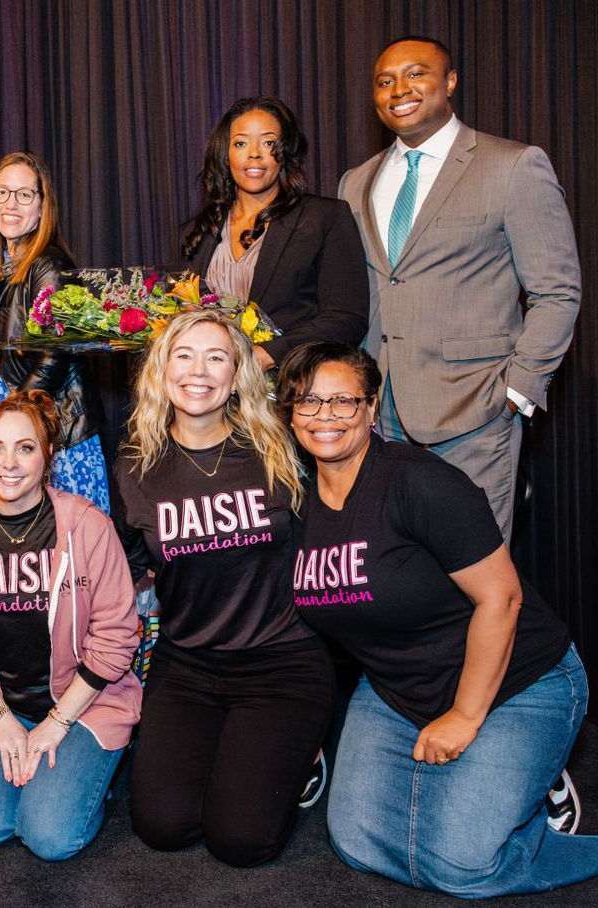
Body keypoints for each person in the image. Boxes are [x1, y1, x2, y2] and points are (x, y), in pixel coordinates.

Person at [275, 341, 598, 896]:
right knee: (355, 841)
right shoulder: (296, 501)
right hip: (399, 690)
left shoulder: (420, 482)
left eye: (342, 401)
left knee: (460, 865)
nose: (323, 416)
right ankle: (488, 804)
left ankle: (535, 815)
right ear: (289, 413)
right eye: (307, 402)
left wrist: (465, 718)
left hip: (519, 682)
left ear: (372, 407)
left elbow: (502, 599)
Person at [338, 35, 581, 543]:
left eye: (415, 74)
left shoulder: (513, 165)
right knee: (403, 576)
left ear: (449, 82)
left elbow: (557, 292)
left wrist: (516, 392)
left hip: (475, 412)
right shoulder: (356, 181)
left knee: (478, 580)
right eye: (384, 81)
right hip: (380, 417)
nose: (398, 89)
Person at [113, 309, 334, 867]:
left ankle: (306, 752)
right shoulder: (136, 466)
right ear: (161, 371)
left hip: (281, 662)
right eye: (184, 356)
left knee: (240, 841)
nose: (199, 371)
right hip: (188, 665)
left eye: (217, 357)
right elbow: (133, 569)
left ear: (237, 376)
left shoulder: (282, 448)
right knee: (163, 826)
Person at [0, 390, 141, 861]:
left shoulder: (86, 526)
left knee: (50, 837)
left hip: (83, 704)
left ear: (48, 455)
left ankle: (81, 774)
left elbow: (116, 639)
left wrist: (56, 723)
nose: (9, 463)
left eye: (25, 447)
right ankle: (43, 774)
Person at [181, 97, 368, 370]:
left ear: (286, 152)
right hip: (208, 392)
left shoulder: (324, 218)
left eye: (268, 143)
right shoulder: (197, 232)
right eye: (241, 143)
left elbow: (347, 318)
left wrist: (266, 356)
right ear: (225, 154)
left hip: (286, 391)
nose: (254, 153)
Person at [0, 151, 109, 512]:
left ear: (41, 206)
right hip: (22, 436)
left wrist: (15, 417)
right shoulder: (2, 268)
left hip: (56, 436)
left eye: (24, 194)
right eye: (2, 192)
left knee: (74, 552)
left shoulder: (47, 263)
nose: (10, 204)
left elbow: (57, 353)